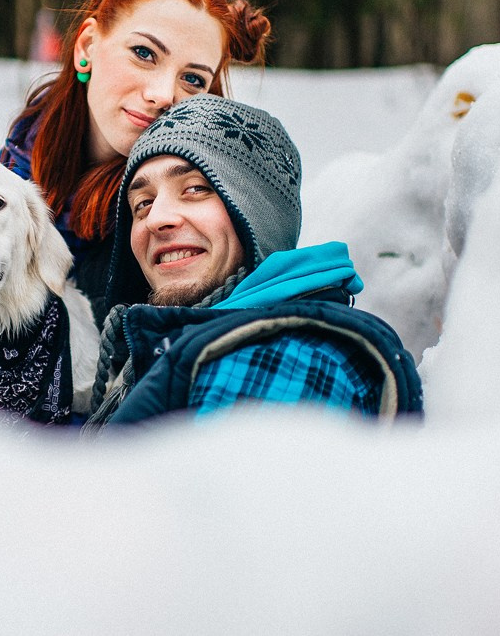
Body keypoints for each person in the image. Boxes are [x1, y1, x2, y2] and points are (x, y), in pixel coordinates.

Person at [82, 94, 424, 429]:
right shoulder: (170, 354)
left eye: (195, 188)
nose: (156, 219)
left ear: (258, 215)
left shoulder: (289, 355)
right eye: (142, 203)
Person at [0, 0, 271, 324]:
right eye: (144, 53)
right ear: (87, 46)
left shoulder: (185, 221)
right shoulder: (8, 170)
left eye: (193, 79)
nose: (163, 94)